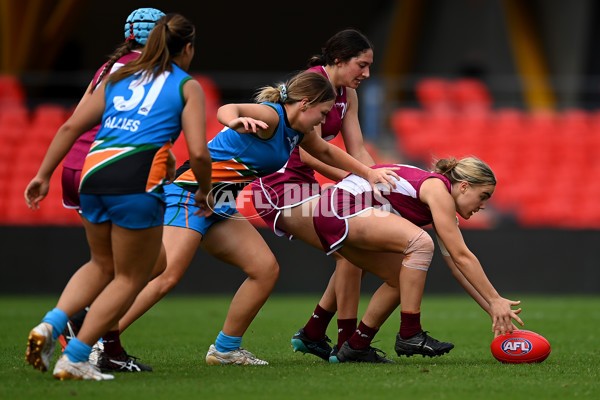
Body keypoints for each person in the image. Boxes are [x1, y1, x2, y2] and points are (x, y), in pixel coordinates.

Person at [113, 70, 400, 366]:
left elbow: (326, 152)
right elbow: (229, 109)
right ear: (304, 104)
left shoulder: (298, 131)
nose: (323, 120)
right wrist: (232, 121)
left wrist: (368, 174)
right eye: (322, 112)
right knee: (166, 276)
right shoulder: (272, 117)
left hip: (218, 203)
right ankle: (100, 341)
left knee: (264, 269)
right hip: (189, 194)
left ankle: (225, 350)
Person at [24, 13, 212, 380]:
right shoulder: (187, 85)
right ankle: (76, 356)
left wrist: (42, 175)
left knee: (101, 265)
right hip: (135, 181)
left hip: (92, 175)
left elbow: (71, 124)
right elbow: (200, 153)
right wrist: (205, 190)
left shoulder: (119, 74)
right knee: (128, 277)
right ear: (187, 48)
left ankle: (50, 325)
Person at [268, 156, 524, 363]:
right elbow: (462, 256)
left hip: (337, 210)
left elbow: (458, 267)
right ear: (465, 186)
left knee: (404, 277)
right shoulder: (438, 190)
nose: (483, 206)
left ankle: (355, 346)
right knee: (421, 243)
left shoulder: (441, 204)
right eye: (484, 196)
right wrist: (494, 298)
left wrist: (493, 308)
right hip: (339, 207)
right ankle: (409, 332)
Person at [250, 28, 378, 360]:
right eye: (361, 65)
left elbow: (359, 150)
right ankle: (346, 344)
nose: (366, 73)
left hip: (305, 184)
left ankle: (314, 333)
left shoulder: (348, 93)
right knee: (351, 250)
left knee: (357, 249)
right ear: (339, 60)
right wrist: (360, 182)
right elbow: (310, 152)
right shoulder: (312, 84)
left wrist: (378, 182)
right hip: (277, 186)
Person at [58, 7, 166, 374]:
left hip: (77, 166)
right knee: (128, 269)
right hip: (107, 168)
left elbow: (77, 118)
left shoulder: (112, 66)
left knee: (131, 265)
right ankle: (87, 333)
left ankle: (95, 336)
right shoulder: (155, 71)